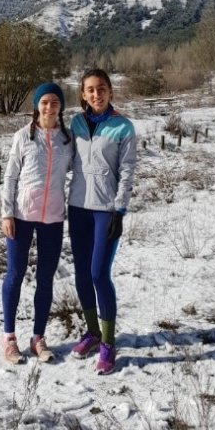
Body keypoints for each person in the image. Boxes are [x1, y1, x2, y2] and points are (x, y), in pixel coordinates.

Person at [68, 68, 137, 374]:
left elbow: (127, 171)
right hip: (77, 208)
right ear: (83, 94)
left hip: (105, 211)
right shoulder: (76, 124)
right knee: (82, 275)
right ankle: (93, 333)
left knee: (98, 274)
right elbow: (63, 158)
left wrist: (119, 211)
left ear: (110, 91)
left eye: (101, 88)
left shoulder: (123, 126)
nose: (97, 94)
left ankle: (108, 343)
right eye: (91, 90)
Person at [0, 81, 72, 364]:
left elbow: (80, 171)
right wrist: (7, 213)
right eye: (44, 102)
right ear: (36, 105)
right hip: (21, 216)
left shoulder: (68, 140)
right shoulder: (23, 136)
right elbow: (10, 177)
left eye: (54, 102)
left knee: (45, 278)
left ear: (61, 106)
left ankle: (38, 338)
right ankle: (9, 339)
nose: (49, 107)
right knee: (15, 274)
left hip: (52, 218)